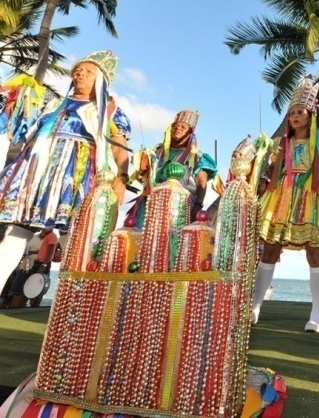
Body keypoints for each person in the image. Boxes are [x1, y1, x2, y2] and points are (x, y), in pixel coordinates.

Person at [0, 51, 131, 290]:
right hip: (37, 176)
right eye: (77, 71)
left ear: (101, 81)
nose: (80, 74)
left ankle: (70, 302)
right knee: (15, 233)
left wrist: (121, 179)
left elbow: (119, 148)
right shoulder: (53, 105)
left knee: (76, 240)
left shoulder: (109, 111)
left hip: (79, 176)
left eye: (88, 72)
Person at [251, 75, 319, 332]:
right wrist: (262, 180)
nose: (296, 116)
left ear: (311, 115)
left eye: (300, 112)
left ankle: (316, 314)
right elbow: (271, 170)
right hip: (281, 198)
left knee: (314, 252)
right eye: (292, 113)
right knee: (269, 250)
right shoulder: (281, 144)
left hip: (311, 198)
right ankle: (255, 306)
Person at [129, 110, 218, 224]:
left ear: (190, 133)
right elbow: (144, 179)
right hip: (150, 201)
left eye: (183, 127)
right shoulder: (156, 152)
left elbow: (201, 182)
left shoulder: (197, 156)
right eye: (175, 126)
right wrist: (143, 170)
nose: (178, 128)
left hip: (179, 203)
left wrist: (198, 205)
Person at [3, 219, 57, 308]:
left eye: (46, 227)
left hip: (41, 263)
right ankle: (19, 306)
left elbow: (51, 252)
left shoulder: (52, 236)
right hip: (36, 263)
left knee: (35, 286)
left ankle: (27, 306)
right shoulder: (46, 236)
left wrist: (44, 264)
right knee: (27, 285)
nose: (44, 229)